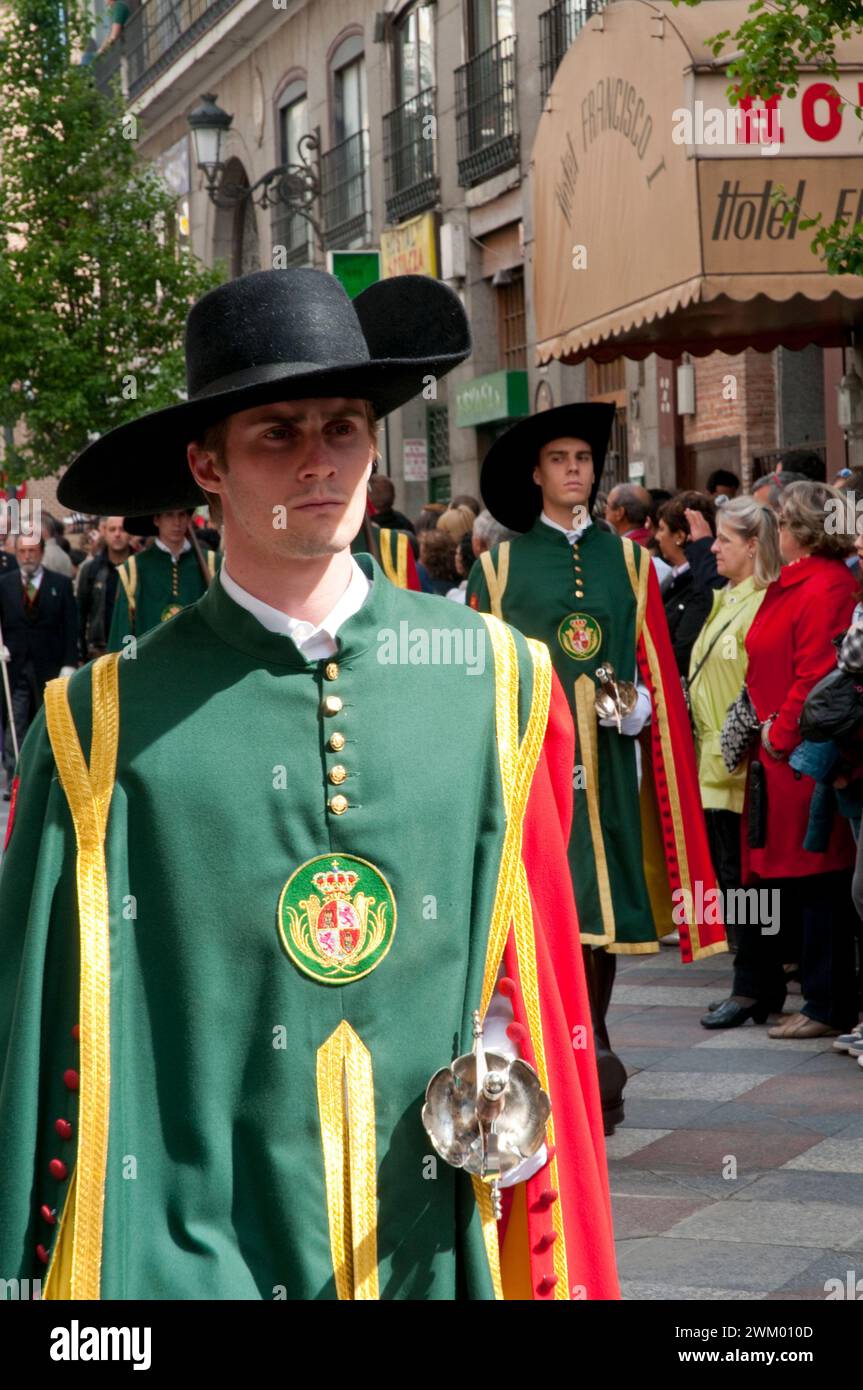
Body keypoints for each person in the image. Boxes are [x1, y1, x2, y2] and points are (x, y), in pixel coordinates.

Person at [0, 267, 619, 1302]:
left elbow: (532, 962)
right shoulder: (96, 722)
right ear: (206, 463)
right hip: (188, 1255)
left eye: (342, 427)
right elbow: (35, 1034)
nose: (319, 460)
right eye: (276, 434)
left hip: (435, 1242)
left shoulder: (498, 680)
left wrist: (508, 1087)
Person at [465, 404, 725, 1133]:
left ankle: (596, 1042)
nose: (574, 468)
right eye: (559, 458)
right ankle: (561, 1052)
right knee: (555, 897)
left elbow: (647, 658)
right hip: (534, 762)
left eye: (583, 457)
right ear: (536, 474)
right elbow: (478, 671)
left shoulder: (632, 560)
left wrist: (639, 706)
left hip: (607, 761)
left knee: (604, 909)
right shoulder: (500, 564)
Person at [707, 482, 860, 1036]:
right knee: (764, 878)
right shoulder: (792, 583)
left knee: (818, 879)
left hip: (798, 757)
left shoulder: (826, 587)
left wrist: (780, 734)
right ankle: (758, 986)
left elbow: (817, 673)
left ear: (799, 532)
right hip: (772, 755)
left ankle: (824, 1002)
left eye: (782, 522)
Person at [689, 499, 780, 981]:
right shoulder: (725, 596)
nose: (713, 548)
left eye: (723, 540)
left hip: (740, 765)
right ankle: (749, 974)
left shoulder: (760, 600)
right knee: (731, 876)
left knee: (746, 878)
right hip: (712, 764)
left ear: (751, 545)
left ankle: (755, 977)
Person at [0, 534, 78, 796]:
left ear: (42, 552)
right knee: (16, 721)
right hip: (16, 665)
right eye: (22, 551)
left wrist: (69, 662)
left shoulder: (61, 585)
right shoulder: (5, 584)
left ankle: (49, 774)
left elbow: (71, 627)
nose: (27, 556)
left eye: (32, 551)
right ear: (16, 552)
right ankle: (16, 777)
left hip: (50, 665)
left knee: (49, 720)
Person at [106, 509, 218, 649]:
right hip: (149, 665)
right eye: (169, 515)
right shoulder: (134, 568)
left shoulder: (212, 564)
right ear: (156, 519)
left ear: (188, 519)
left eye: (182, 515)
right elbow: (125, 631)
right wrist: (129, 665)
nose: (177, 522)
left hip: (201, 663)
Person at [655, 491, 717, 676]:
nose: (657, 537)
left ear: (679, 536)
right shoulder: (674, 580)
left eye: (662, 529)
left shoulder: (698, 584)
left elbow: (682, 654)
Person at [76, 516, 132, 660]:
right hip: (99, 650)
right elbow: (81, 613)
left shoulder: (139, 568)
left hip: (132, 648)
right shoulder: (91, 570)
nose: (117, 534)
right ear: (104, 532)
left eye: (122, 529)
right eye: (112, 529)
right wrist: (80, 654)